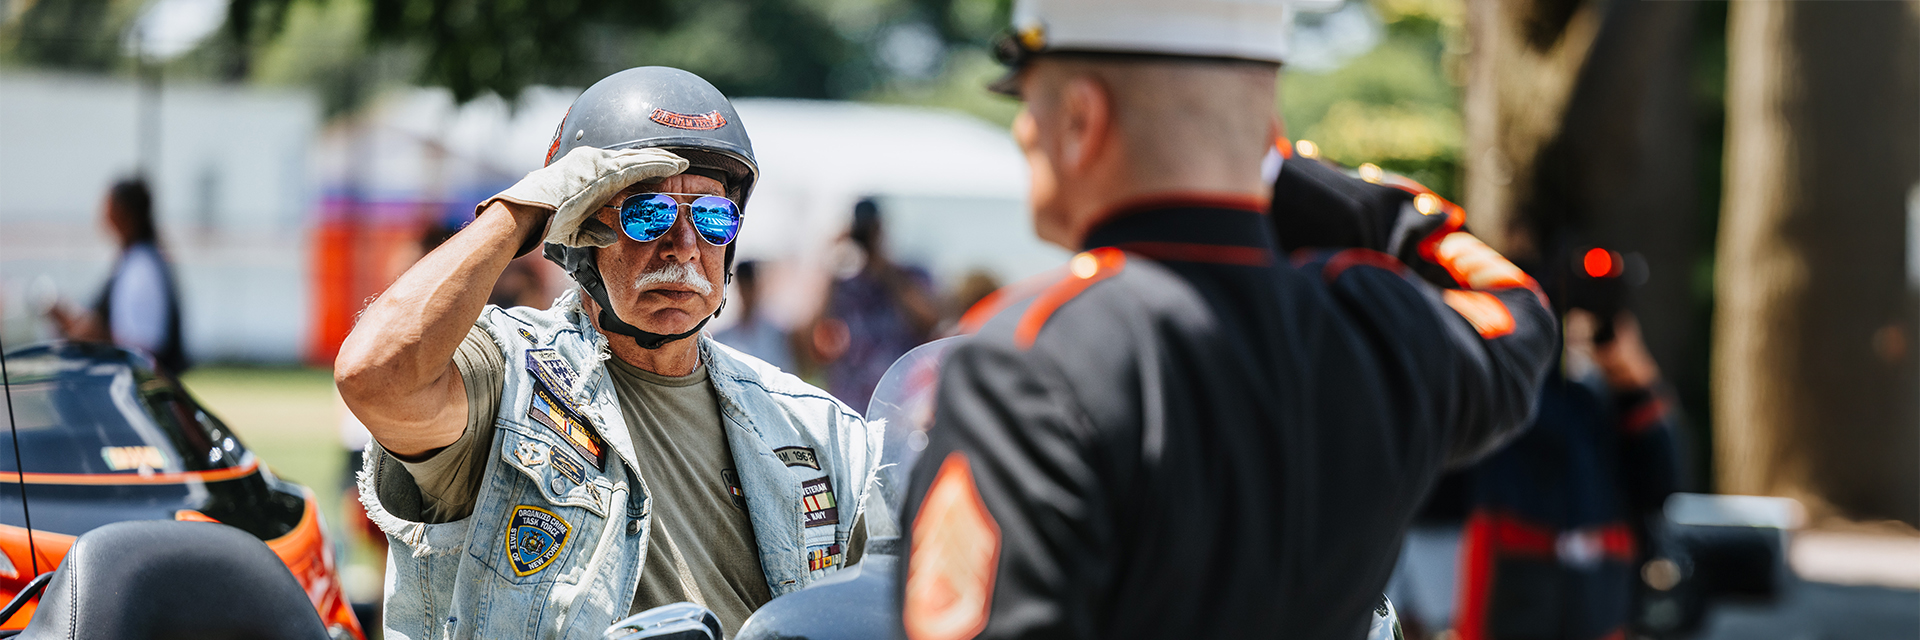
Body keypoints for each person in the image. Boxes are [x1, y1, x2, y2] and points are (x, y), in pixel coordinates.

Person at [896, 2, 1560, 639]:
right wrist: (1367, 208)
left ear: (1080, 120)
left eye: (1028, 102)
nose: (1022, 131)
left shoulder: (1027, 358)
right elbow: (1516, 310)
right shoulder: (1379, 329)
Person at [335, 67, 879, 640]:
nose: (684, 247)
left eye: (712, 216)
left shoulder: (814, 428)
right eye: (649, 214)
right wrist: (524, 210)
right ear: (580, 234)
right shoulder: (508, 378)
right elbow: (375, 376)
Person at [48, 177, 188, 374]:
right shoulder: (136, 259)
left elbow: (143, 345)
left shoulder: (142, 267)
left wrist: (91, 334)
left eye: (108, 206)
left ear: (123, 212)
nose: (102, 213)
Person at [814, 198, 939, 411]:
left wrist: (885, 270)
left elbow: (930, 320)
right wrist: (830, 264)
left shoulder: (908, 274)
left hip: (899, 403)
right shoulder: (844, 283)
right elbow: (812, 338)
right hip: (850, 403)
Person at [713, 260, 796, 371]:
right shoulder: (722, 336)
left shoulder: (778, 333)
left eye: (750, 285)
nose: (747, 291)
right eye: (744, 285)